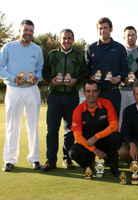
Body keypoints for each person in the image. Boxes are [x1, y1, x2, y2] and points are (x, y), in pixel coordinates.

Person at [41, 29, 88, 172]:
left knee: (70, 130)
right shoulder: (52, 54)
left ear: (73, 39)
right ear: (59, 40)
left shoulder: (79, 56)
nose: (66, 41)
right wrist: (51, 80)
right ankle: (51, 160)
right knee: (52, 129)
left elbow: (85, 74)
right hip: (55, 96)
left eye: (69, 38)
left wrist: (76, 80)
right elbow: (45, 72)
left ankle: (66, 158)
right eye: (64, 38)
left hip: (72, 97)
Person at [0, 20, 43, 172]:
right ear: (19, 31)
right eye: (25, 30)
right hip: (14, 89)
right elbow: (0, 67)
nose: (28, 33)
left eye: (31, 30)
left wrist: (36, 77)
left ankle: (35, 159)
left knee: (33, 125)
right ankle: (10, 160)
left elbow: (40, 69)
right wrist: (13, 78)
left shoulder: (37, 49)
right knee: (12, 125)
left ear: (33, 32)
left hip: (32, 89)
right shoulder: (8, 47)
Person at [69, 80, 122, 177]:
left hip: (104, 141)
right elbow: (77, 136)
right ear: (84, 92)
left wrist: (96, 137)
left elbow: (114, 126)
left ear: (98, 92)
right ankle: (88, 166)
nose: (91, 94)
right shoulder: (78, 110)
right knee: (73, 152)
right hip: (88, 143)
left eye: (94, 91)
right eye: (88, 91)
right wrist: (94, 150)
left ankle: (113, 166)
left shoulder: (107, 104)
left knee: (116, 136)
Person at [86, 17, 128, 118]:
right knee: (96, 124)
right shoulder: (91, 48)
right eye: (100, 28)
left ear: (111, 29)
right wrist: (91, 77)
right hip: (96, 92)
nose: (102, 31)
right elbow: (86, 70)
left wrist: (119, 77)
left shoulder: (119, 48)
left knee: (113, 123)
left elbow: (125, 69)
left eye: (105, 28)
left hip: (113, 92)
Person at [118, 26, 138, 128]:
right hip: (121, 90)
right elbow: (116, 70)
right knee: (121, 119)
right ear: (124, 37)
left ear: (136, 36)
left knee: (137, 118)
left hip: (137, 91)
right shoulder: (119, 52)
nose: (130, 37)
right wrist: (122, 79)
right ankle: (121, 142)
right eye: (128, 35)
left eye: (132, 35)